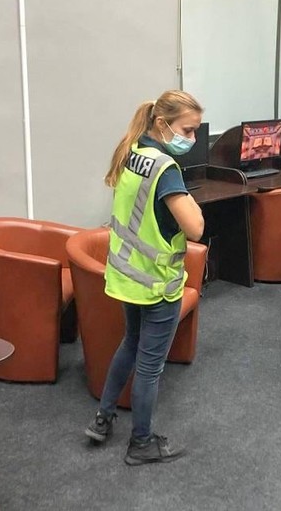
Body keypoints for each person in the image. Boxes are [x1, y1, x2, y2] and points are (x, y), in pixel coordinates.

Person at [85, 90, 205, 465]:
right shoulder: (166, 170)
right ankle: (141, 443)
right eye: (188, 130)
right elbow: (196, 228)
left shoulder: (133, 151)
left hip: (128, 277)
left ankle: (103, 418)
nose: (192, 139)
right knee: (150, 368)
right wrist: (189, 200)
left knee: (130, 344)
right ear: (162, 123)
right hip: (156, 284)